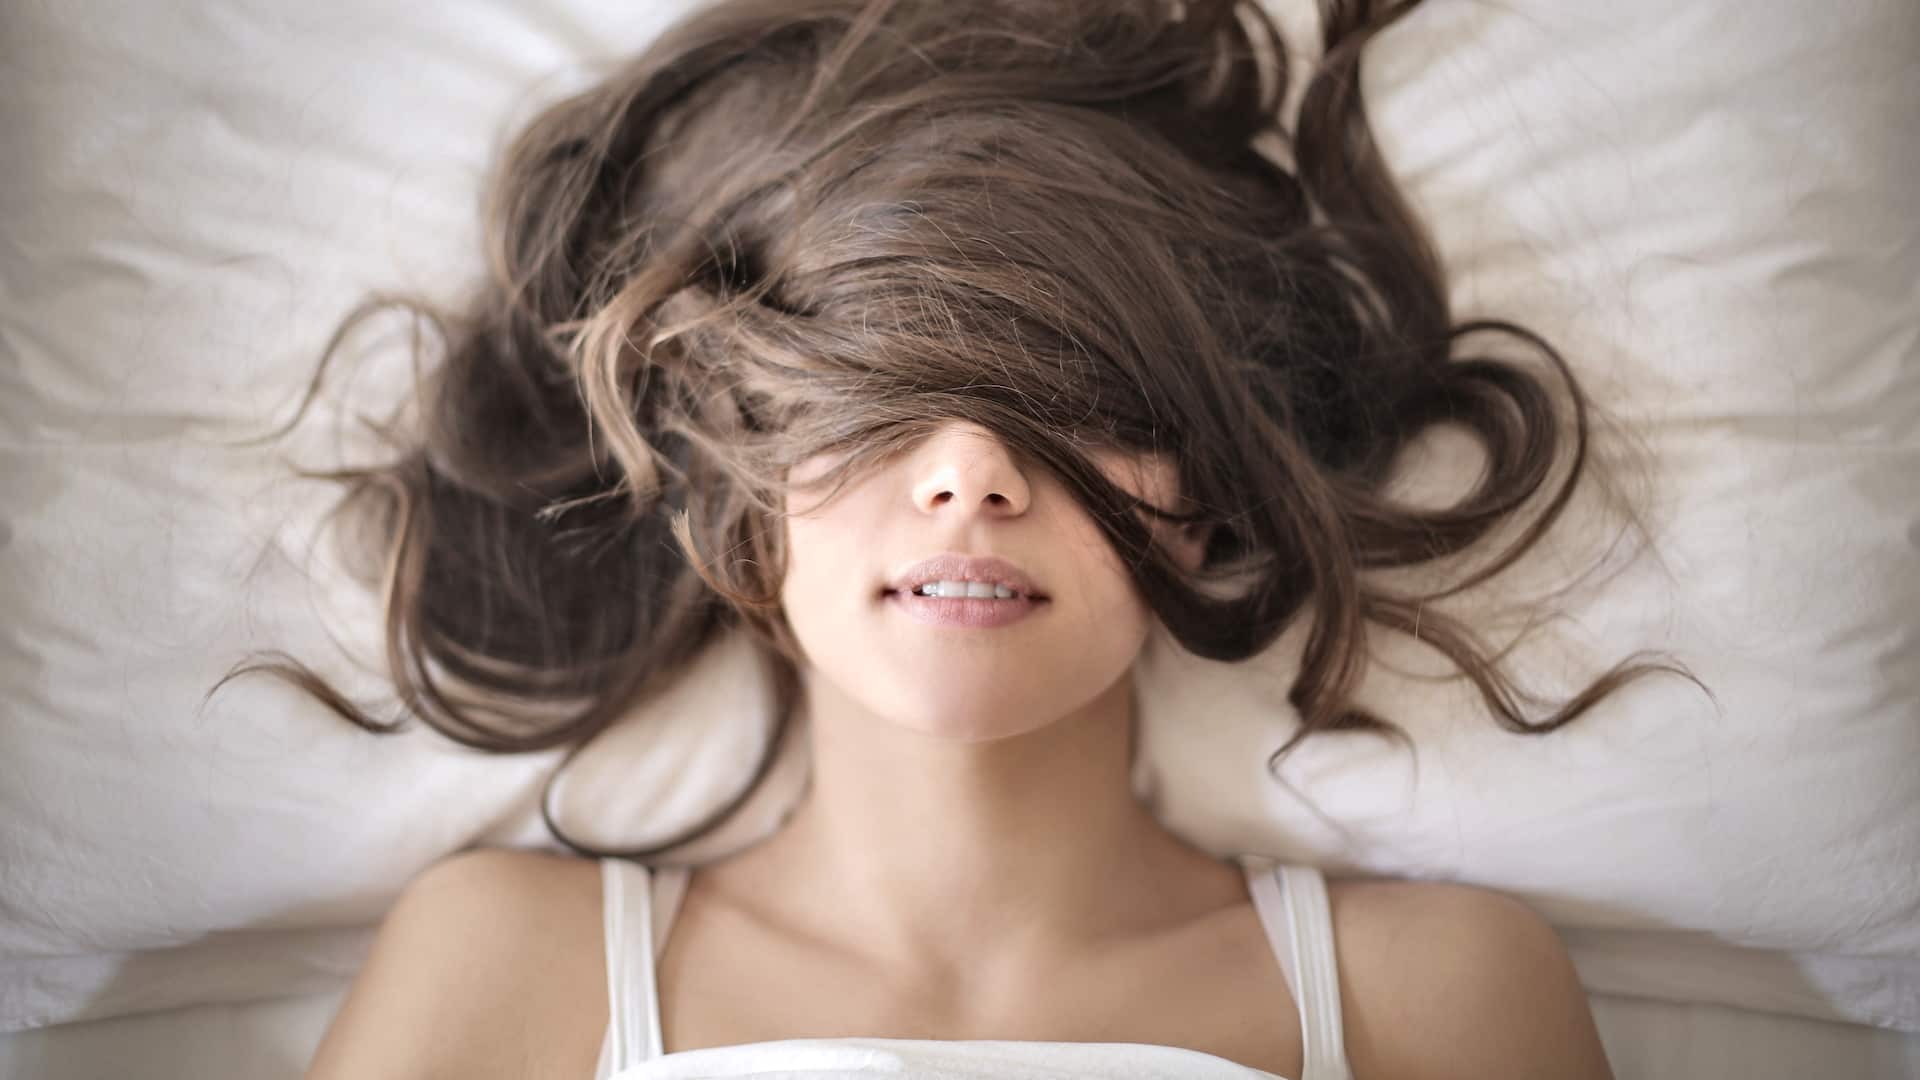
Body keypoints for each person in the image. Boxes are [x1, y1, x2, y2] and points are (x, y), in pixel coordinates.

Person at [258, 0, 1695, 1075]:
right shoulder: (506, 968)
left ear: (1211, 495)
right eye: (877, 402)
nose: (971, 476)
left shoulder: (1438, 995)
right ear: (734, 491)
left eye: (1076, 400)